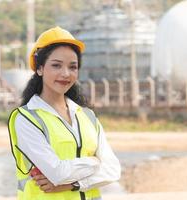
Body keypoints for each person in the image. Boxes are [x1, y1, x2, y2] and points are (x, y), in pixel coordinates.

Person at [8, 26, 121, 200]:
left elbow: (113, 169)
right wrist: (95, 162)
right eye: (56, 65)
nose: (65, 74)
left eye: (72, 67)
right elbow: (57, 173)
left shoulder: (87, 116)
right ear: (39, 69)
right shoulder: (27, 119)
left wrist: (74, 184)